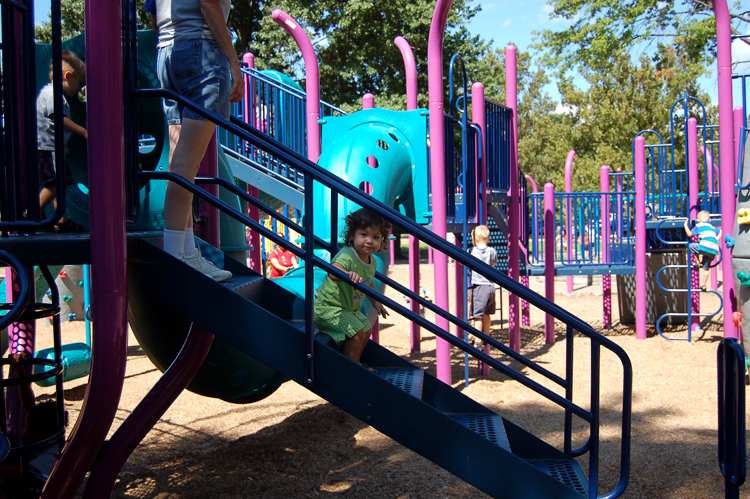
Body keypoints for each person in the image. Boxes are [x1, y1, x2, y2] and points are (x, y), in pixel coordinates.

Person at [155, 0, 244, 282]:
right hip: (202, 50)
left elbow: (155, 19)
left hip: (166, 55)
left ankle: (186, 251)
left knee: (178, 160)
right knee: (186, 165)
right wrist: (234, 62)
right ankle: (175, 257)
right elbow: (208, 4)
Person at [314, 209, 390, 365]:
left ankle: (356, 361)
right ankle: (351, 366)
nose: (369, 241)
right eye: (363, 235)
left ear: (382, 241)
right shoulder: (348, 255)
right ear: (351, 235)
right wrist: (347, 274)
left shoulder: (372, 261)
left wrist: (375, 302)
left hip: (348, 310)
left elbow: (369, 282)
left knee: (367, 328)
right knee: (357, 332)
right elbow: (333, 271)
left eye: (375, 237)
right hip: (328, 308)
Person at [0, 355, 67, 498]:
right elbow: (29, 403)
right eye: (25, 428)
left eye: (30, 431)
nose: (24, 434)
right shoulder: (44, 434)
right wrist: (20, 371)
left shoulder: (52, 453)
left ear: (48, 434)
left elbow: (24, 475)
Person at [36, 50, 88, 233]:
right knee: (59, 182)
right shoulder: (52, 95)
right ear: (67, 76)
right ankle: (35, 210)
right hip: (47, 146)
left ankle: (62, 220)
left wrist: (64, 146)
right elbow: (58, 119)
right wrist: (83, 132)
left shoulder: (51, 93)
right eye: (80, 83)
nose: (79, 88)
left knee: (57, 183)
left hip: (51, 146)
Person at [469, 225, 497, 349]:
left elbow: (461, 261)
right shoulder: (492, 251)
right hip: (491, 286)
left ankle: (477, 340)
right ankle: (486, 337)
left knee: (477, 316)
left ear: (474, 240)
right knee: (487, 314)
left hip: (479, 287)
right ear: (488, 239)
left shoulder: (471, 251)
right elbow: (494, 264)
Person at [684, 210, 721, 291]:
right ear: (710, 220)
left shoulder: (699, 226)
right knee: (706, 268)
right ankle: (704, 284)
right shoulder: (712, 227)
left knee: (691, 246)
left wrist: (685, 226)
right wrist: (717, 239)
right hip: (714, 250)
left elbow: (690, 234)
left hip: (705, 247)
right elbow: (721, 231)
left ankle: (697, 261)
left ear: (698, 220)